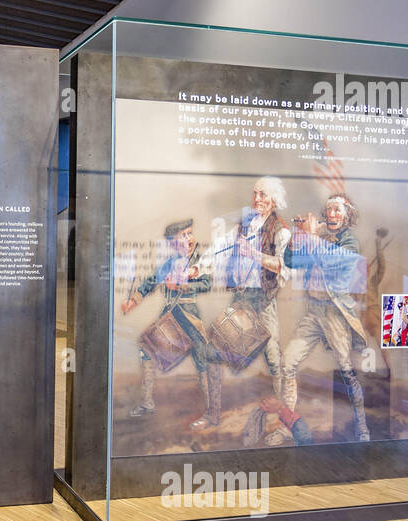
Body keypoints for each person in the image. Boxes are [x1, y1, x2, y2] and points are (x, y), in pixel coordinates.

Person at [281, 193, 371, 441]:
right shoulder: (318, 238)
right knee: (287, 362)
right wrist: (295, 238)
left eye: (337, 211)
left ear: (347, 216)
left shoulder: (350, 242)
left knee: (346, 369)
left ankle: (362, 427)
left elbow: (332, 262)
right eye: (329, 210)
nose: (331, 215)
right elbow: (291, 262)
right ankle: (286, 423)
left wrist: (310, 237)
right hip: (314, 312)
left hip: (334, 312)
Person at [121, 218, 221, 430]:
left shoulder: (200, 261)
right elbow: (150, 282)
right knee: (146, 350)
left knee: (202, 360)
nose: (188, 239)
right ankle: (147, 403)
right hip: (170, 317)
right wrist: (133, 301)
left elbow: (206, 285)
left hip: (190, 318)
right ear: (173, 243)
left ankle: (212, 414)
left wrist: (181, 286)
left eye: (189, 234)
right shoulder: (169, 263)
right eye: (183, 236)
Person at [222, 176, 292, 396]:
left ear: (274, 199)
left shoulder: (281, 230)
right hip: (240, 298)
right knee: (218, 346)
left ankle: (282, 406)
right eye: (255, 193)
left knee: (272, 355)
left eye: (263, 194)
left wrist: (253, 254)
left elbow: (283, 267)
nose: (257, 199)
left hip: (263, 300)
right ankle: (213, 411)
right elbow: (222, 248)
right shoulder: (244, 224)